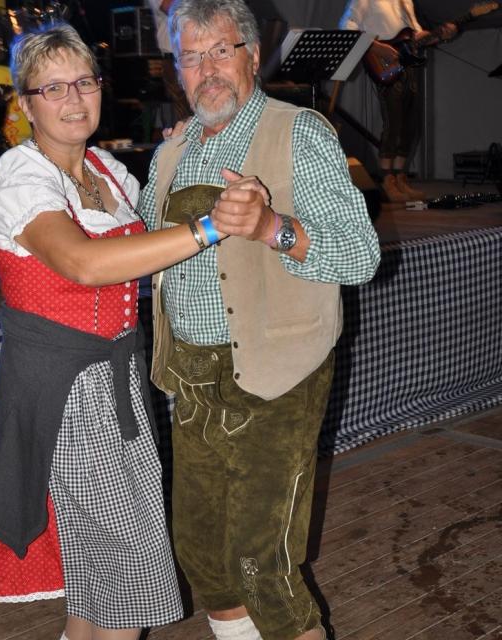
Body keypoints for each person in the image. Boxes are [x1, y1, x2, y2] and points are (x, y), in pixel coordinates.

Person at [0, 23, 247, 640]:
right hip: (64, 390)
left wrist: (183, 151)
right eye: (53, 88)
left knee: (98, 575)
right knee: (131, 570)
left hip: (117, 377)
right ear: (26, 105)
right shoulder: (20, 178)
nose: (73, 99)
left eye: (84, 82)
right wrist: (209, 229)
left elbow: (150, 240)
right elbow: (83, 263)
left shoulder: (108, 171)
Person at [138, 0, 381, 638]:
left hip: (276, 377)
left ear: (252, 56)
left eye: (221, 51)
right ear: (177, 70)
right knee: (204, 560)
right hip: (192, 379)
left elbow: (361, 255)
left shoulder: (298, 133)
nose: (207, 69)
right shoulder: (171, 151)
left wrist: (274, 227)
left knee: (261, 566)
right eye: (191, 57)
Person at [339, 0, 457, 202]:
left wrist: (439, 35)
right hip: (383, 62)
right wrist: (376, 47)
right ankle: (387, 180)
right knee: (393, 122)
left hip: (408, 63)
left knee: (410, 123)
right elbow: (346, 27)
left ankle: (400, 178)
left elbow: (416, 36)